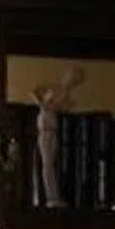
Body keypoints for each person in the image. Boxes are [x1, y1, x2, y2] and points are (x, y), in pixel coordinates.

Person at [32, 67, 85, 207]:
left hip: (52, 131)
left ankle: (54, 195)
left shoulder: (64, 94)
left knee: (51, 164)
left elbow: (63, 107)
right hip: (46, 132)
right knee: (48, 164)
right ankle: (51, 196)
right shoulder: (55, 91)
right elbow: (44, 102)